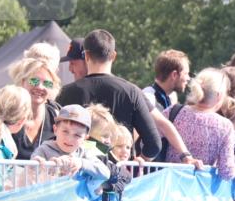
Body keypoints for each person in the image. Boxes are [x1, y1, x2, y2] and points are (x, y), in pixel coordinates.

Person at [58, 29, 197, 165]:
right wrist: (138, 163)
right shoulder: (132, 92)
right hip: (119, 176)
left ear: (86, 56)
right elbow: (154, 143)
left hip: (77, 175)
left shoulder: (66, 92)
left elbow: (54, 134)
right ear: (113, 56)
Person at [163, 68, 235, 181]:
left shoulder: (174, 111)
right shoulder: (225, 126)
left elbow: (147, 141)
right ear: (219, 95)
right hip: (199, 190)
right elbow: (226, 172)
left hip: (169, 184)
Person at [31, 104, 110, 185]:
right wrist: (40, 165)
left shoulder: (83, 153)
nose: (69, 139)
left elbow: (106, 173)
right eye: (65, 131)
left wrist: (81, 163)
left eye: (77, 135)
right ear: (55, 130)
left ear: (85, 139)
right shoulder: (44, 150)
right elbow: (32, 167)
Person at [8, 56, 61, 160]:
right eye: (34, 81)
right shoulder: (7, 113)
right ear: (22, 82)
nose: (40, 87)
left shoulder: (56, 117)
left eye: (47, 83)